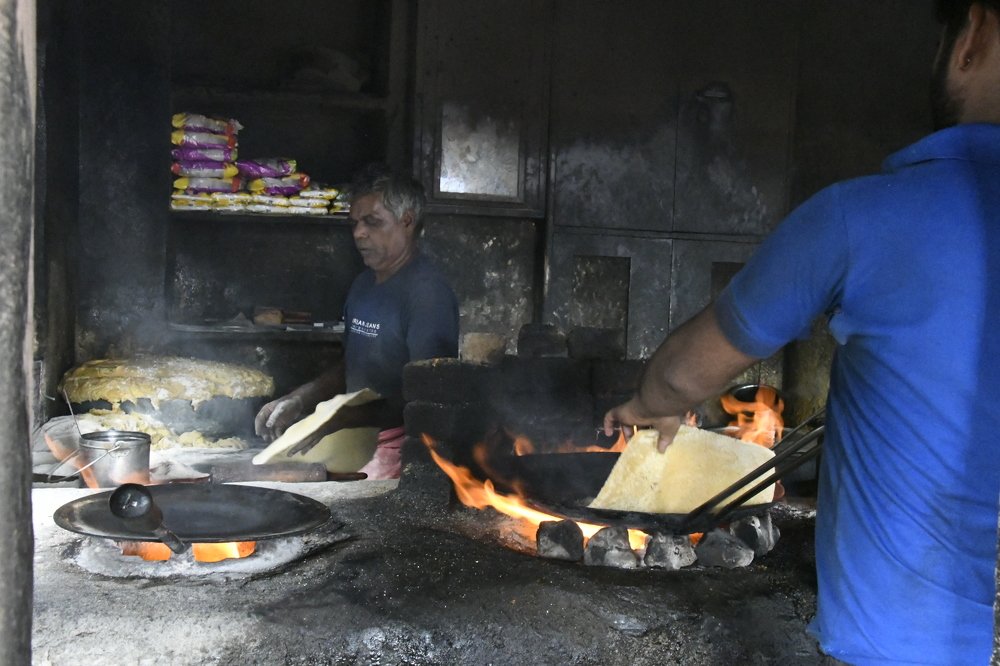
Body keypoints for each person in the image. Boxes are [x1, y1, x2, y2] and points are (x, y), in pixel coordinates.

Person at [603, 1, 1000, 663]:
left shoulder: (864, 217)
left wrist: (648, 405)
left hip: (898, 641)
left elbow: (686, 372)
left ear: (974, 35)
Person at [255, 164, 459, 479]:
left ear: (406, 221)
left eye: (372, 223)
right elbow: (351, 364)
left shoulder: (427, 295)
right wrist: (300, 398)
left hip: (401, 450)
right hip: (353, 436)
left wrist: (341, 417)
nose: (358, 233)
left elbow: (428, 398)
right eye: (355, 223)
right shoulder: (364, 285)